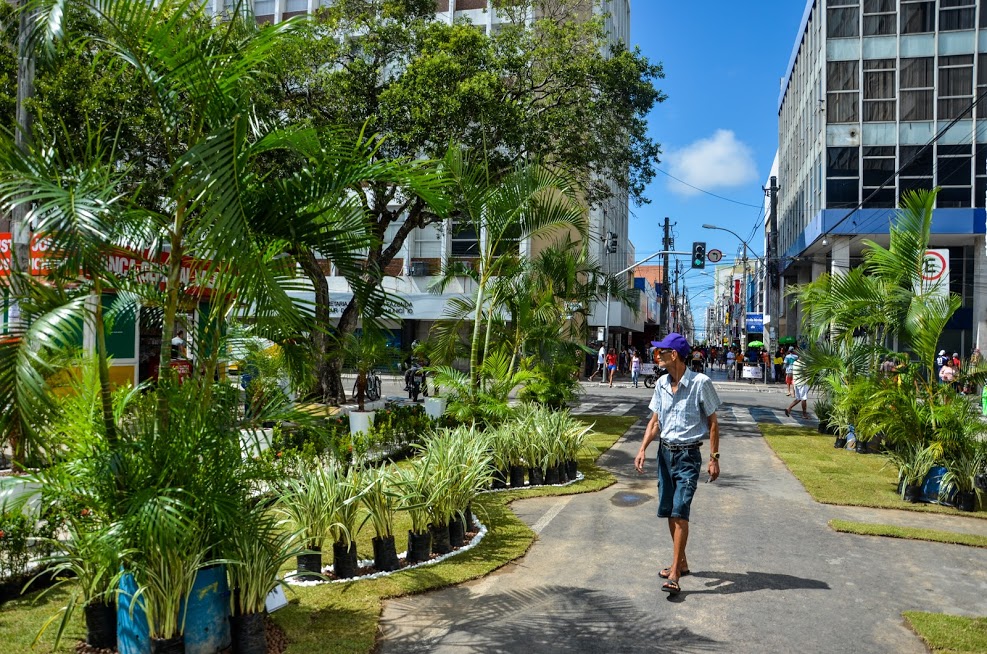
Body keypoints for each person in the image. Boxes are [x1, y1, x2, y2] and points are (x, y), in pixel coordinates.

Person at [633, 332, 721, 596]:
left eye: (661, 351)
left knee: (680, 510)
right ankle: (681, 562)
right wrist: (642, 448)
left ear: (674, 355)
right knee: (669, 509)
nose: (656, 355)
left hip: (688, 456)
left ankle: (674, 573)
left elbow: (713, 422)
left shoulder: (701, 383)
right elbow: (655, 421)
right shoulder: (660, 384)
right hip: (665, 454)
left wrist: (714, 459)